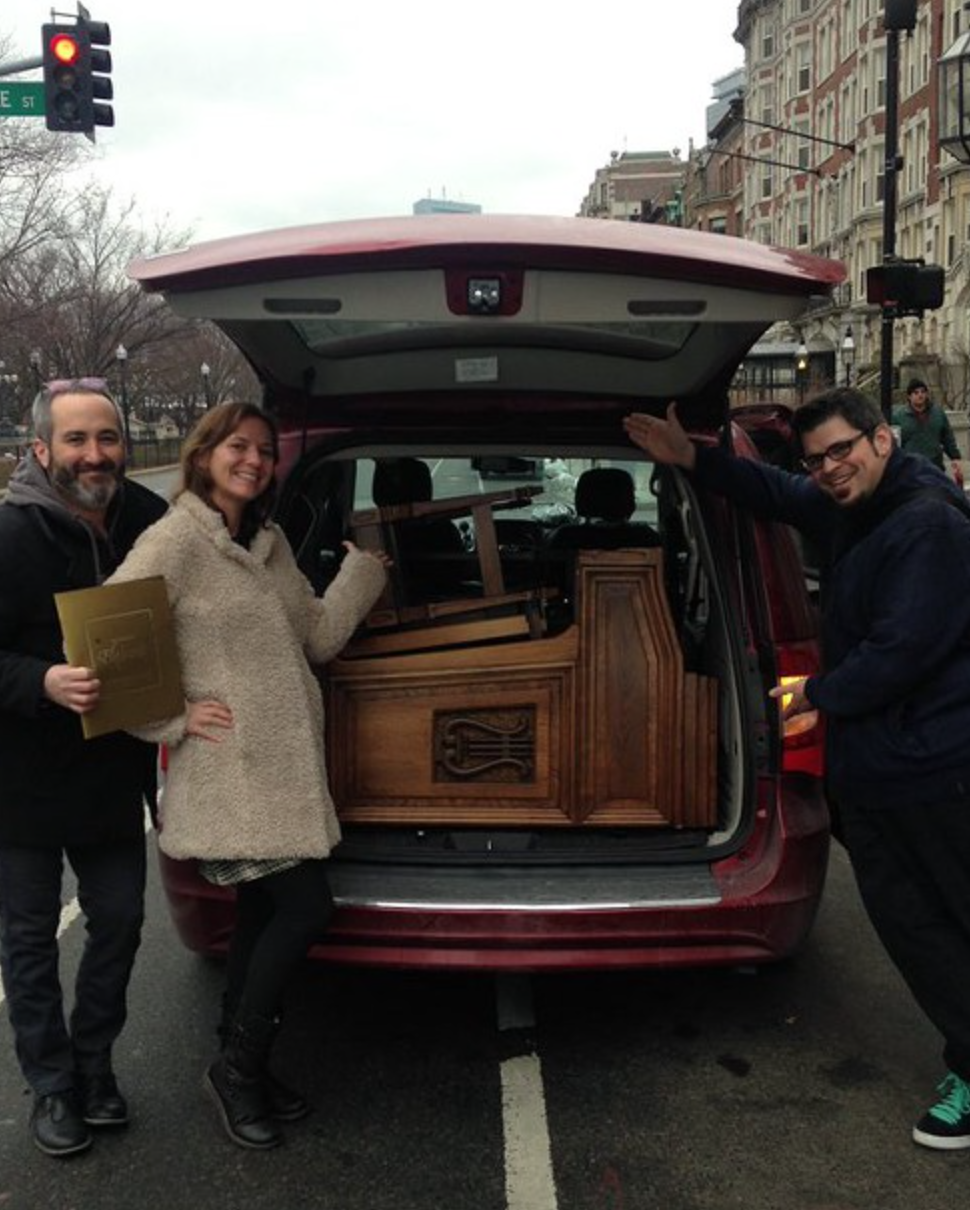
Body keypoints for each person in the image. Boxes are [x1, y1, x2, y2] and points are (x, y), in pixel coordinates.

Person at [624, 388, 970, 1152]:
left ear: (885, 440)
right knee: (912, 924)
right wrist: (696, 460)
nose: (829, 468)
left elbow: (901, 653)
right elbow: (776, 492)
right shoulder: (857, 507)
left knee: (946, 917)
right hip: (879, 769)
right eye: (818, 459)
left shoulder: (926, 525)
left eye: (843, 449)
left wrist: (813, 693)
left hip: (932, 765)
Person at [108, 401, 389, 1151]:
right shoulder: (173, 541)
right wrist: (172, 718)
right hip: (233, 776)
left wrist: (365, 571)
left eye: (265, 451)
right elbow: (108, 639)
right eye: (239, 446)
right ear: (204, 454)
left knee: (265, 915)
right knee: (304, 910)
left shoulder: (267, 544)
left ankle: (242, 1065)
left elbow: (320, 638)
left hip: (286, 769)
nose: (255, 461)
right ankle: (238, 1069)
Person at [0, 379, 166, 1157]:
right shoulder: (8, 534)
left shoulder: (149, 521)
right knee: (29, 942)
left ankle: (95, 1066)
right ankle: (53, 1086)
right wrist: (38, 681)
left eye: (106, 437)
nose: (94, 453)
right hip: (20, 782)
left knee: (123, 923)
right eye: (75, 440)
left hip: (111, 773)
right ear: (41, 450)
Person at [892, 377, 963, 482]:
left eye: (923, 392)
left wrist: (955, 458)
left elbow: (947, 437)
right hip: (910, 470)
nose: (920, 395)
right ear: (909, 396)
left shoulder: (938, 413)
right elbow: (895, 444)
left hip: (934, 467)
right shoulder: (898, 417)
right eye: (916, 393)